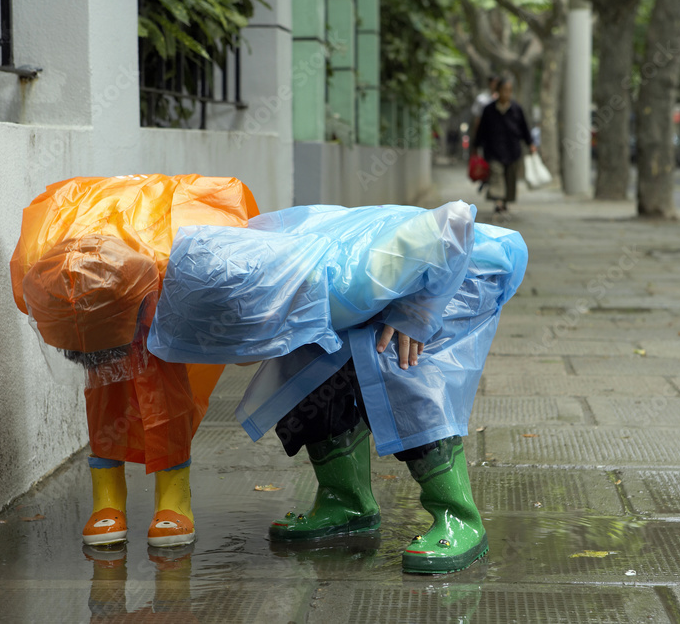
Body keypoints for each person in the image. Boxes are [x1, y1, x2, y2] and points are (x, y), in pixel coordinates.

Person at [147, 201, 529, 574]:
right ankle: (345, 503)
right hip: (389, 272)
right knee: (304, 373)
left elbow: (456, 222)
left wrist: (417, 312)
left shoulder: (352, 278)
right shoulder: (259, 259)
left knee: (400, 371)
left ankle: (459, 518)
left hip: (461, 271)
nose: (231, 358)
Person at [10, 173, 259, 548]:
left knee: (164, 388)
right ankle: (108, 500)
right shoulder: (49, 264)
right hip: (100, 286)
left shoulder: (178, 256)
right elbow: (30, 295)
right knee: (104, 391)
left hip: (152, 292)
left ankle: (172, 500)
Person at [473, 77, 537, 214]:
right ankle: (498, 201)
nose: (506, 94)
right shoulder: (489, 110)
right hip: (493, 150)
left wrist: (530, 143)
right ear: (498, 91)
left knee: (509, 178)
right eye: (504, 90)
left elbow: (524, 128)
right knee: (496, 175)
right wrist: (475, 146)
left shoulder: (516, 109)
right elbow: (481, 131)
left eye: (509, 91)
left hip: (512, 150)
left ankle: (505, 201)